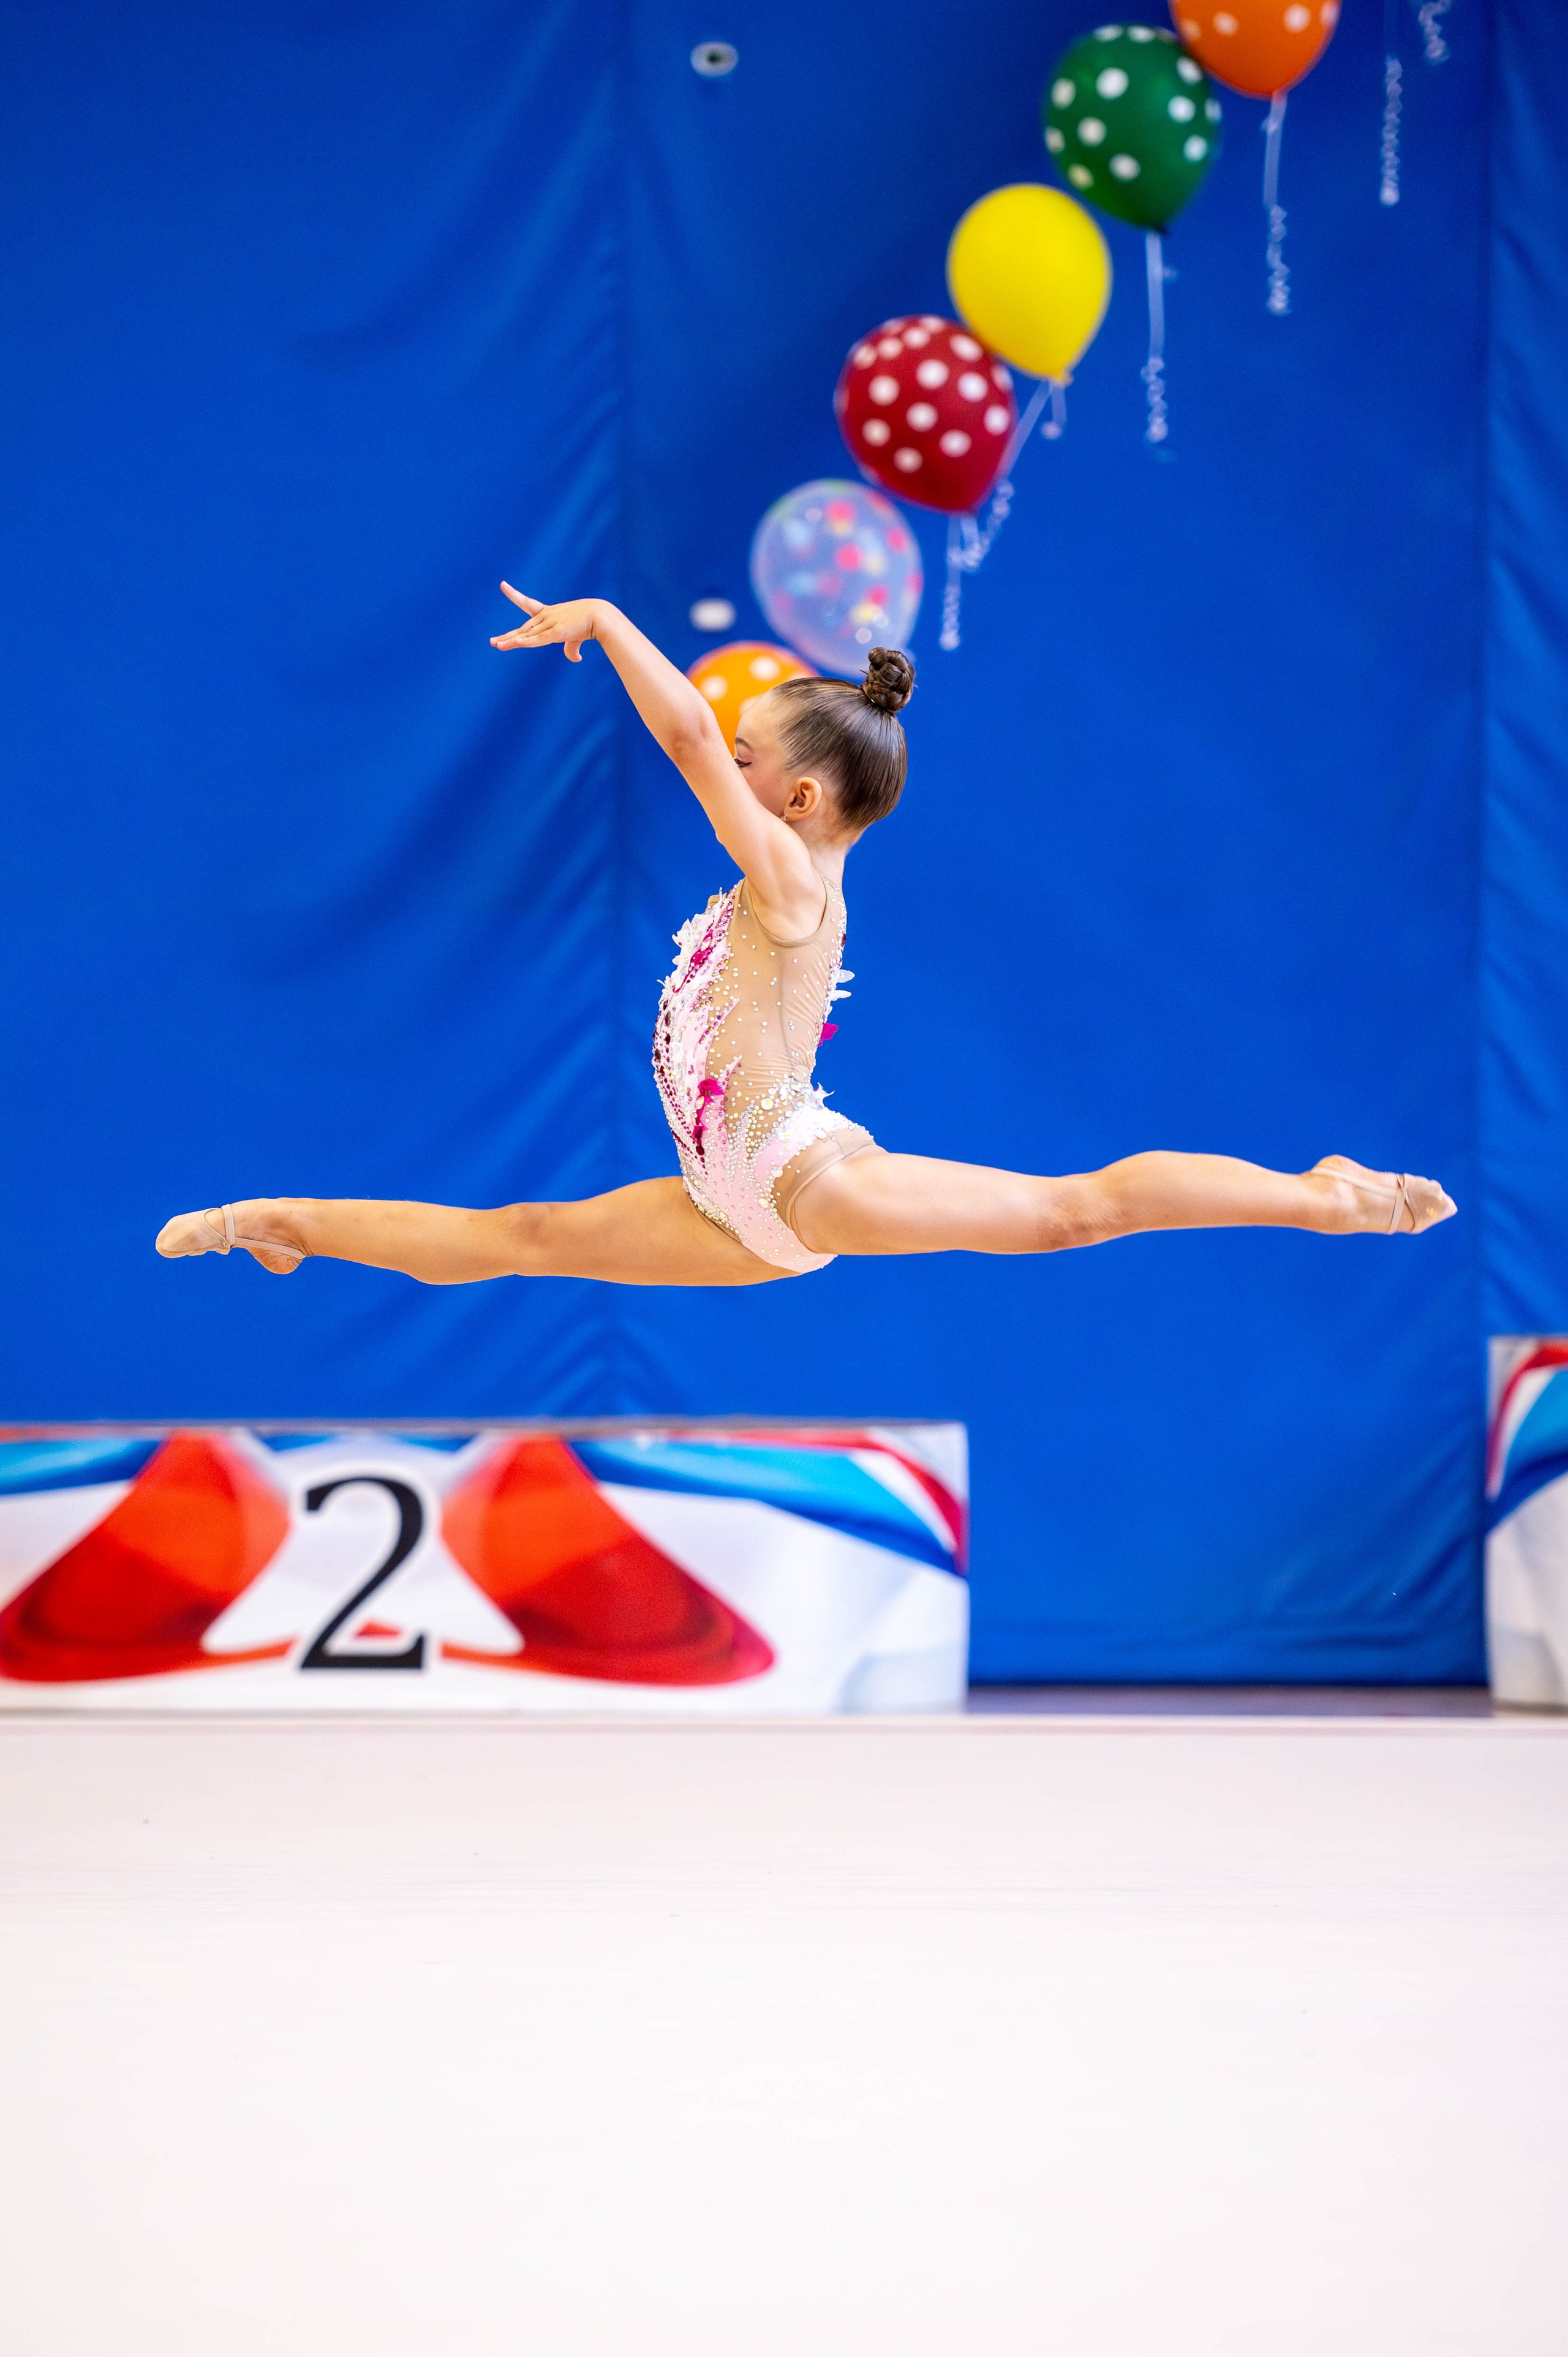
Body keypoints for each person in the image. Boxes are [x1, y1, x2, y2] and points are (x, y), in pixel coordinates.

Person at [155, 587, 1455, 1288]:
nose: (720, 762)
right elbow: (695, 752)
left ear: (797, 797)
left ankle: (1325, 1196)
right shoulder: (774, 874)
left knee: (1072, 1213)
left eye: (743, 756)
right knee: (526, 1239)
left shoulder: (792, 876)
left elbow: (676, 740)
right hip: (730, 1209)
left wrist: (605, 621)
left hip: (798, 1178)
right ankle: (286, 1220)